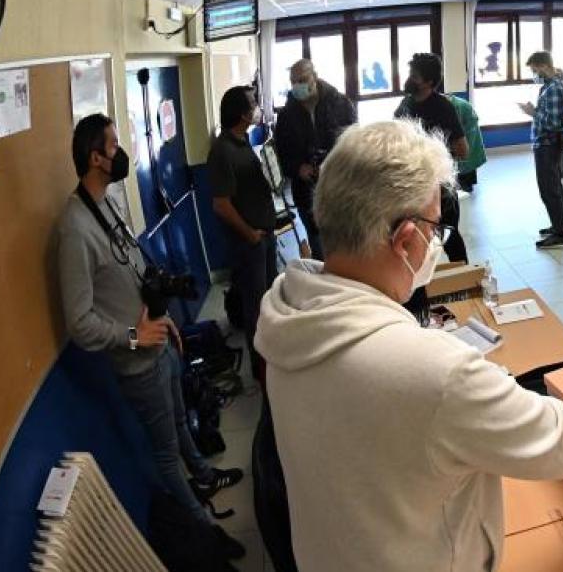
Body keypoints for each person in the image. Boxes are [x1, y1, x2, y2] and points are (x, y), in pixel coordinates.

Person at [255, 120, 563, 571]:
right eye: (434, 229)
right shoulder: (436, 372)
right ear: (404, 240)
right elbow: (551, 438)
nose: (436, 244)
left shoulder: (289, 313)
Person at [58, 114, 244, 551]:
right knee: (164, 451)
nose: (121, 152)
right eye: (114, 145)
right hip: (137, 362)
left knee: (181, 420)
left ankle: (203, 474)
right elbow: (79, 321)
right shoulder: (74, 229)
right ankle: (203, 531)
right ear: (96, 158)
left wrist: (166, 322)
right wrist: (135, 336)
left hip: (160, 344)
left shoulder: (105, 202)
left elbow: (134, 271)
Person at [208, 86, 278, 382]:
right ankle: (260, 372)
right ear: (241, 113)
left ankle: (273, 359)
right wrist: (249, 234)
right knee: (256, 307)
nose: (257, 107)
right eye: (253, 104)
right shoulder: (222, 150)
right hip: (250, 243)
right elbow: (221, 204)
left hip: (264, 235)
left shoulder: (243, 141)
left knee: (269, 300)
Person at [275, 59, 357, 261]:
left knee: (347, 244)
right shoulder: (286, 115)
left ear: (315, 77)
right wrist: (297, 168)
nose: (298, 85)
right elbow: (282, 155)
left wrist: (331, 165)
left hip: (340, 189)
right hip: (306, 192)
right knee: (319, 248)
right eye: (293, 81)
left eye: (302, 79)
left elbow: (355, 144)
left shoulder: (341, 104)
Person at [396, 52, 469, 262]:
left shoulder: (443, 107)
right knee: (413, 240)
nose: (410, 78)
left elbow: (463, 149)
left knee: (449, 237)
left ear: (428, 82)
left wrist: (433, 155)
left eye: (415, 76)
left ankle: (463, 279)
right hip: (412, 185)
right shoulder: (406, 105)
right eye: (410, 73)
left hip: (440, 187)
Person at [519, 51, 563, 249]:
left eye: (534, 69)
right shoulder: (550, 86)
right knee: (555, 185)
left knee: (549, 189)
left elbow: (554, 123)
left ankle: (560, 234)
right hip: (549, 143)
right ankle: (560, 225)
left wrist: (533, 113)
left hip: (548, 144)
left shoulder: (554, 88)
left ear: (543, 66)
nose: (534, 74)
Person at [449, 92, 486, 194]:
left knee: (466, 161)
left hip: (468, 135)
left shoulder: (461, 106)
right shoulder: (454, 104)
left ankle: (465, 187)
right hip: (465, 135)